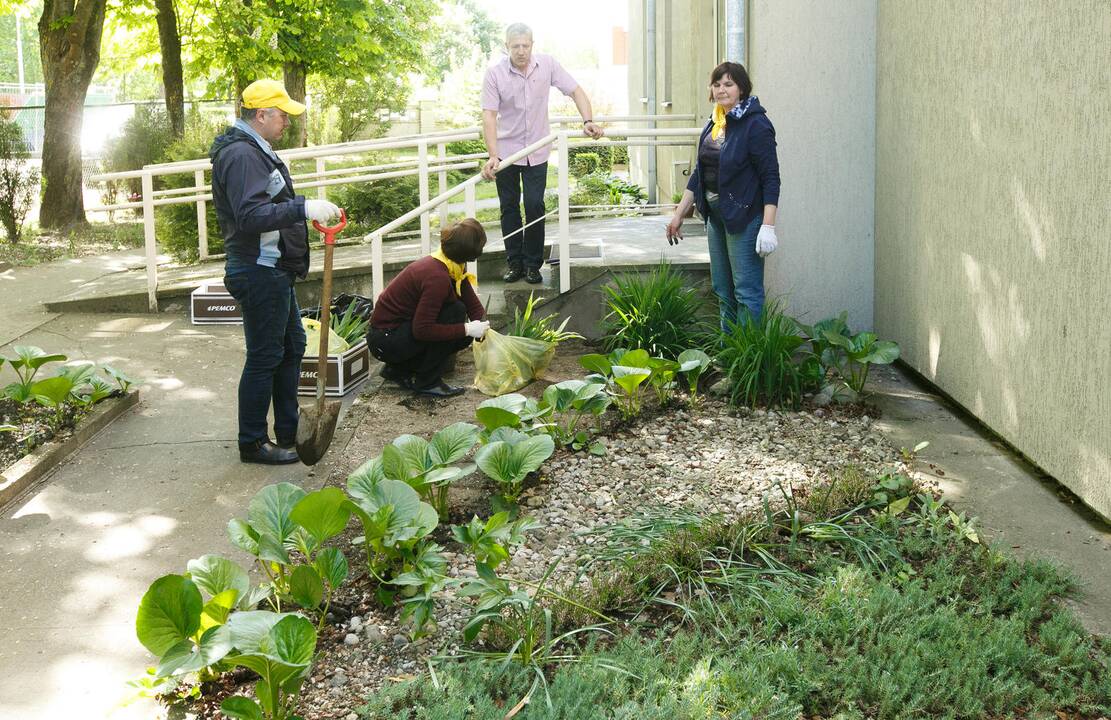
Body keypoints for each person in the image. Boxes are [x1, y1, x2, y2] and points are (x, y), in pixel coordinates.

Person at [210, 79, 341, 465]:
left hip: (272, 269)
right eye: (282, 115)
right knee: (265, 355)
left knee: (292, 347)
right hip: (257, 270)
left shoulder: (256, 150)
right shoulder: (241, 155)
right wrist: (302, 208)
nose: (286, 122)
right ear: (262, 115)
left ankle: (288, 429)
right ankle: (252, 442)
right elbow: (249, 217)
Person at [481, 22, 605, 285]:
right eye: (516, 46)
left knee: (535, 205)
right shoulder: (495, 74)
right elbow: (489, 115)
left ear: (532, 45)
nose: (521, 51)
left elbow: (575, 90)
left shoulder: (547, 65)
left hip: (537, 150)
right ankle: (514, 263)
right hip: (507, 154)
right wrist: (493, 154)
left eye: (526, 45)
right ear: (507, 47)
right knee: (509, 208)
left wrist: (587, 121)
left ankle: (533, 264)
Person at [665, 62, 781, 330]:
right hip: (716, 217)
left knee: (746, 292)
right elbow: (700, 171)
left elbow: (771, 178)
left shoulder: (756, 124)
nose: (721, 89)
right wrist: (679, 214)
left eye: (728, 84)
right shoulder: (715, 122)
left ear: (741, 88)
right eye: (717, 84)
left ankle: (748, 356)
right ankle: (728, 354)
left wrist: (768, 226)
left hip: (744, 217)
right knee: (723, 289)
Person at [368, 219, 491, 398]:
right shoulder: (437, 277)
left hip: (390, 334)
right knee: (455, 313)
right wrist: (467, 328)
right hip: (386, 340)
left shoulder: (449, 264)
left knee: (460, 320)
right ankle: (427, 381)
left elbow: (470, 301)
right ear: (471, 253)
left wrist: (486, 328)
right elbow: (422, 330)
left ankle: (397, 370)